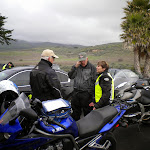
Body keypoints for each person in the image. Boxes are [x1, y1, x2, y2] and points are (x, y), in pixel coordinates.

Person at [68, 52, 96, 121]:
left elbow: (94, 82)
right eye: (81, 60)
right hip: (76, 93)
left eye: (83, 60)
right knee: (75, 113)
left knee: (87, 113)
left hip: (86, 94)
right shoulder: (76, 67)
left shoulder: (92, 68)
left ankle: (87, 128)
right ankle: (76, 128)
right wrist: (74, 67)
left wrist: (90, 93)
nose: (82, 62)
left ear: (87, 59)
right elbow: (70, 76)